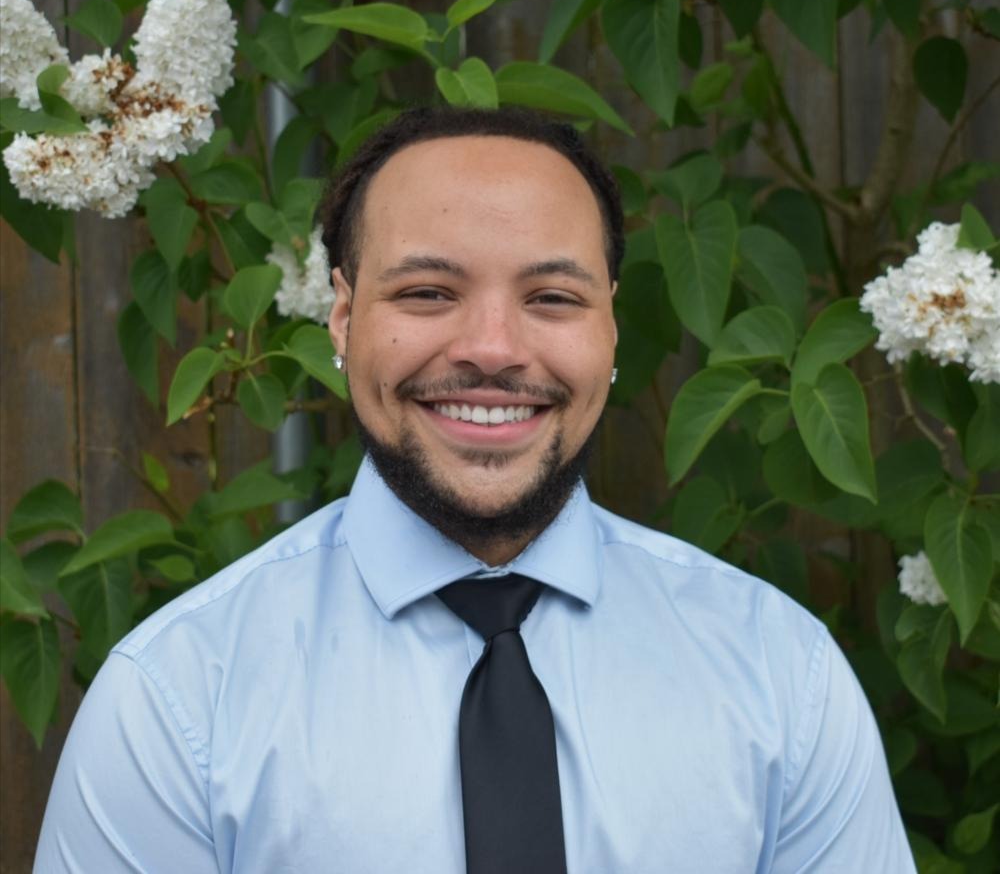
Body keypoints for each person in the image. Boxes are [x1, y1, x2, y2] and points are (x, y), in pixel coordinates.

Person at [34, 107, 915, 873]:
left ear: (610, 326)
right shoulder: (177, 703)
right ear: (343, 318)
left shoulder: (780, 676)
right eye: (427, 291)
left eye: (553, 299)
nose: (492, 348)